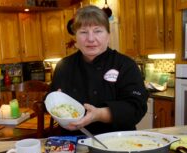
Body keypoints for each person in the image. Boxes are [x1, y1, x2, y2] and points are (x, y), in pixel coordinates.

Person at [50, 5, 149, 135]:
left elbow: (136, 108)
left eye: (97, 31)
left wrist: (99, 114)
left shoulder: (126, 65)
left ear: (108, 35)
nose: (90, 39)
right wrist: (54, 101)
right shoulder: (64, 66)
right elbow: (51, 97)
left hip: (117, 141)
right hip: (73, 141)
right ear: (76, 37)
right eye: (83, 32)